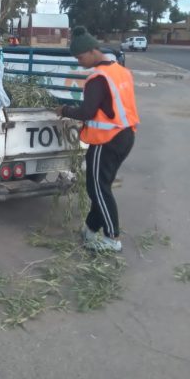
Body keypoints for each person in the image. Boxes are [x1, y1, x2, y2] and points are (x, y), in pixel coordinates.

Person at [55, 26, 139, 252]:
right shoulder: (120, 72)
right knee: (101, 187)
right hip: (125, 136)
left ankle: (112, 238)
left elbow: (86, 112)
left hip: (106, 140)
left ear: (93, 51)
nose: (79, 62)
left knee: (97, 189)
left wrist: (63, 109)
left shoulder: (97, 78)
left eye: (80, 57)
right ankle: (91, 230)